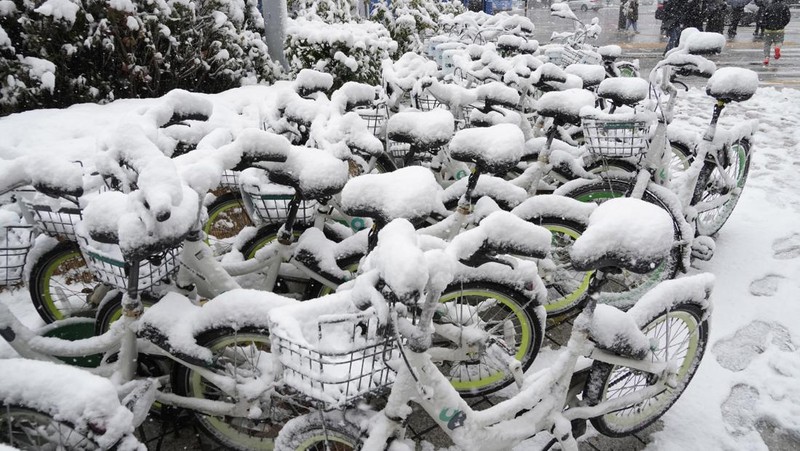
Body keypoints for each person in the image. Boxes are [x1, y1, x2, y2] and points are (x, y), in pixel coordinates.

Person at [761, 0, 791, 65]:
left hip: (768, 29)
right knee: (779, 41)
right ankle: (777, 48)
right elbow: (788, 17)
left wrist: (765, 25)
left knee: (767, 44)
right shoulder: (784, 6)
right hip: (779, 29)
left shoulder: (768, 6)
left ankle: (766, 58)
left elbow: (763, 17)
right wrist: (783, 24)